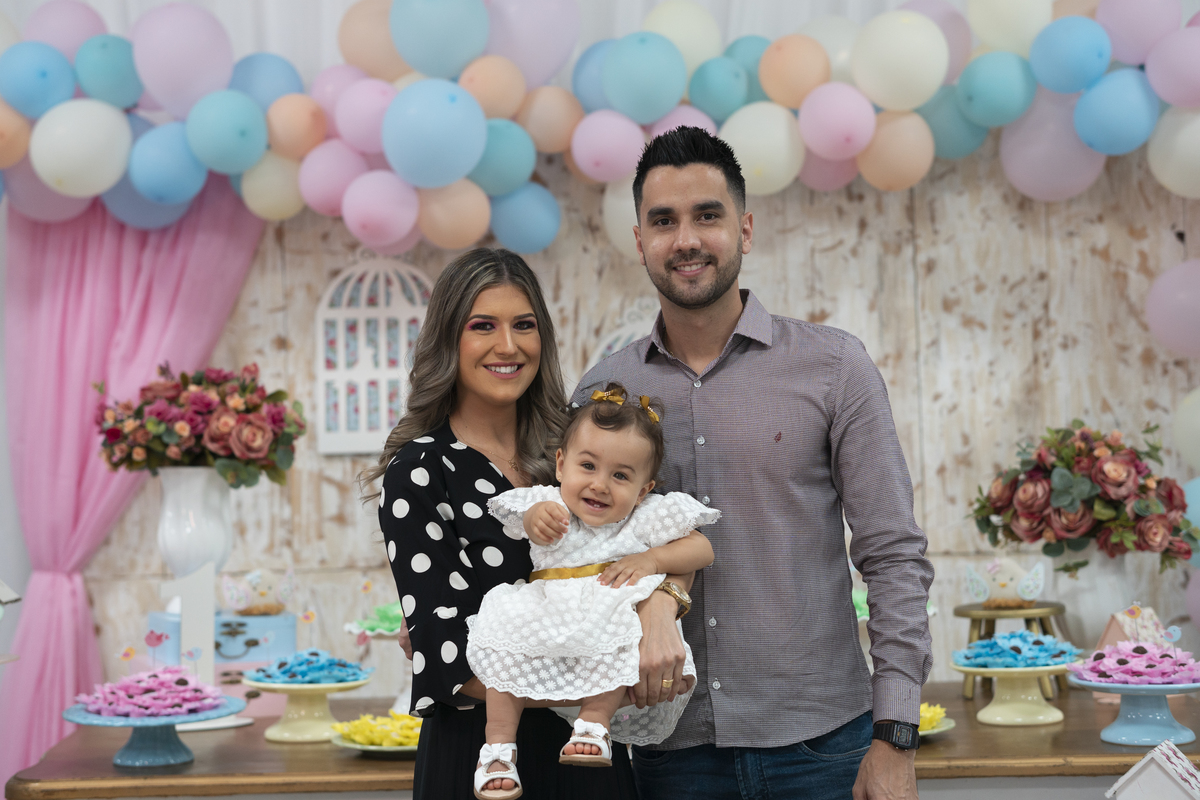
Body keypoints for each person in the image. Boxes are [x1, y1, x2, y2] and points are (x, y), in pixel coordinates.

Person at [574, 127, 935, 800]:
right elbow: (579, 556)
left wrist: (895, 735)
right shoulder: (604, 394)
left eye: (707, 216)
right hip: (668, 749)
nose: (686, 239)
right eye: (664, 221)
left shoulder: (834, 367)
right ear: (640, 241)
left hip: (825, 748)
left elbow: (892, 554)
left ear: (744, 230)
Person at [365, 248, 690, 800]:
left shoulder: (578, 450)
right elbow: (445, 660)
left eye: (524, 325)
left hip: (594, 753)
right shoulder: (420, 470)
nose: (508, 346)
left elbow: (664, 539)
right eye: (482, 326)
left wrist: (661, 609)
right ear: (448, 339)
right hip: (485, 758)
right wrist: (609, 679)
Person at [466, 383, 717, 798]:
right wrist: (534, 520)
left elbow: (702, 549)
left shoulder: (644, 516)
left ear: (643, 490)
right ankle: (498, 748)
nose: (600, 485)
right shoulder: (549, 502)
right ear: (561, 465)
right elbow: (519, 519)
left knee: (623, 633)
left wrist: (652, 560)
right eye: (588, 466)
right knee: (505, 637)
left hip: (607, 606)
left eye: (620, 475)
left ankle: (594, 723)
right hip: (546, 610)